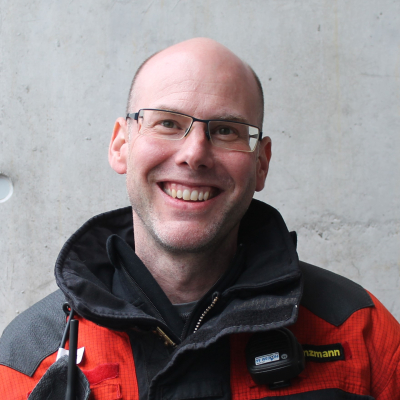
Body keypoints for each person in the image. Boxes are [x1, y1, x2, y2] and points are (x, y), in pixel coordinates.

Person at [0, 38, 399, 400]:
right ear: (121, 145)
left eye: (226, 130)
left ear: (261, 164)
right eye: (168, 123)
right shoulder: (26, 359)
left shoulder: (359, 332)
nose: (194, 154)